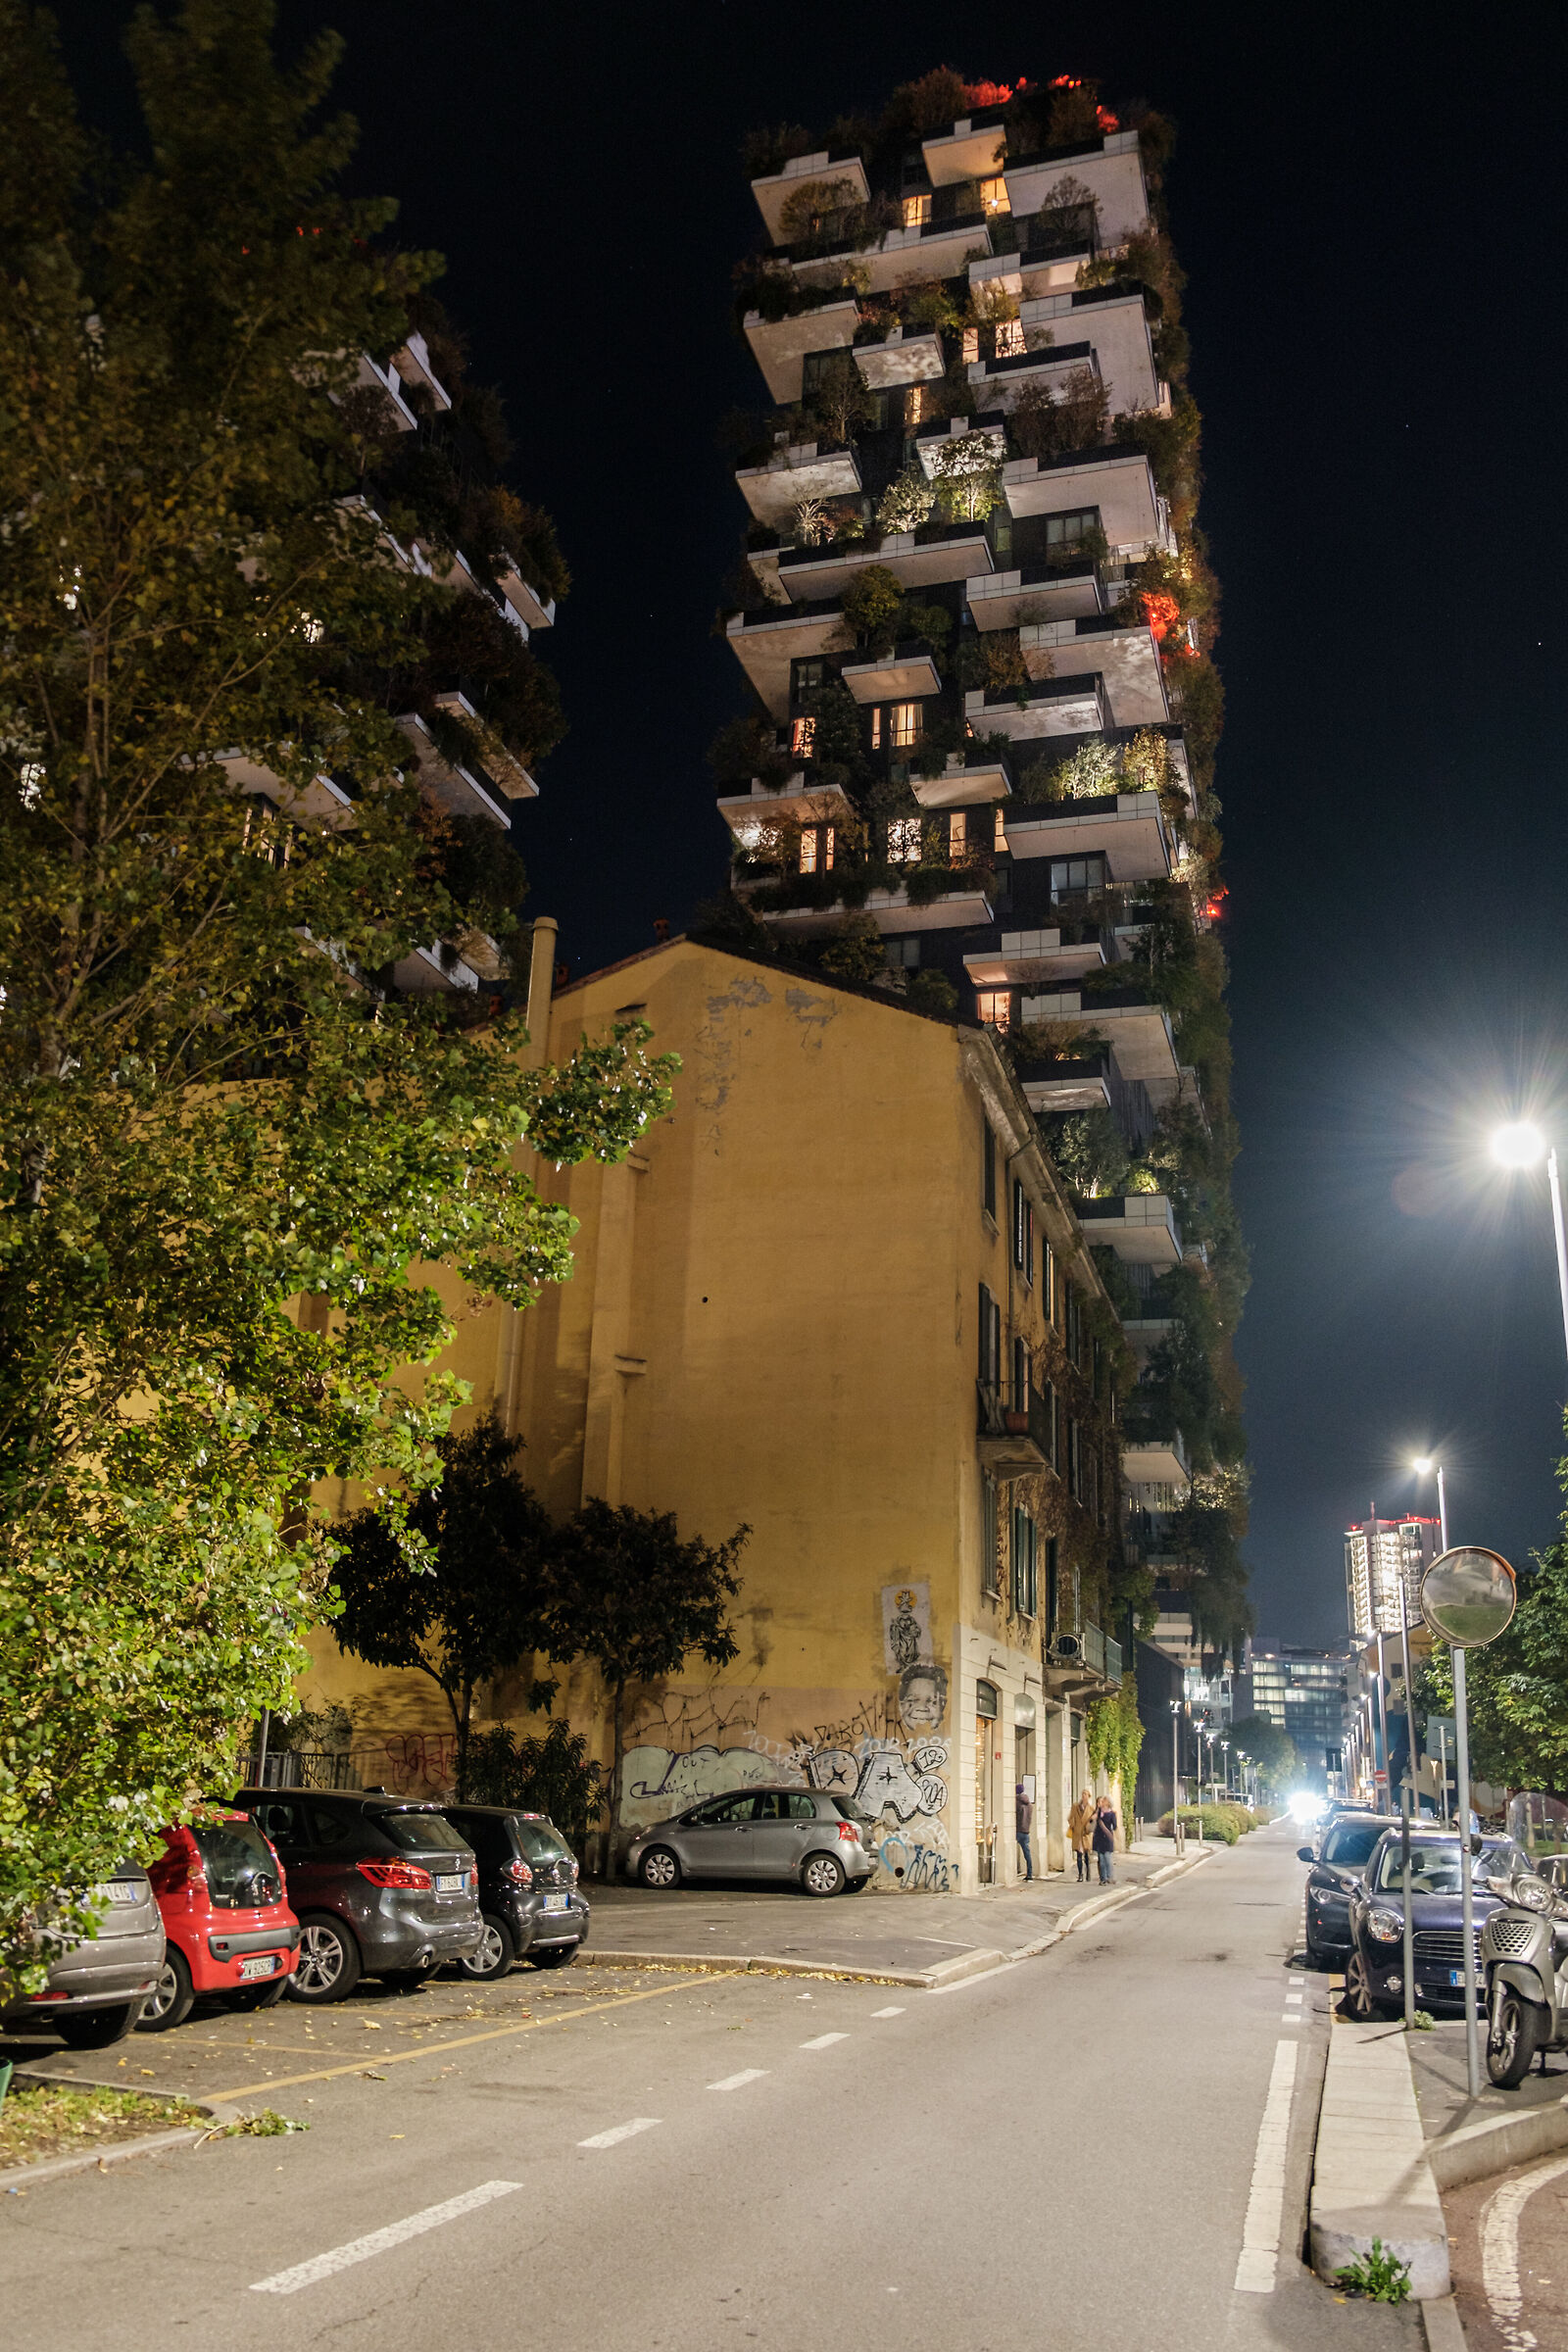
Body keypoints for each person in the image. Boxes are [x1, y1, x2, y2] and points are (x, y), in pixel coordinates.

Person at [1069, 1789, 1096, 1882]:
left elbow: (1093, 1821)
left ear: (1089, 1796)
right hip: (1077, 1833)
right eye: (1082, 1794)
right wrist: (1072, 1825)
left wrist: (1089, 1827)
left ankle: (1088, 1873)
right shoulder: (1075, 1806)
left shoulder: (1091, 1809)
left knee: (1087, 1855)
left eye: (1085, 1794)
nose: (1083, 1796)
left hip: (1086, 1834)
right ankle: (1080, 1874)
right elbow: (1070, 1817)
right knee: (1079, 1855)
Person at [1093, 1794, 1118, 1884]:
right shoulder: (1099, 1811)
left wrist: (1110, 1827)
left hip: (1107, 1839)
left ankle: (1109, 1876)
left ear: (1108, 1802)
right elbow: (1092, 1818)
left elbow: (1115, 1826)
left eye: (1104, 1800)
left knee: (1107, 1858)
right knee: (1101, 1860)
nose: (1103, 1802)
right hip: (1099, 1838)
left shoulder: (1112, 1814)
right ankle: (1103, 1879)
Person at [1015, 1783, 1034, 1883]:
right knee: (1027, 1854)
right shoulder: (1029, 1804)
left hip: (1018, 1830)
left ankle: (1013, 1872)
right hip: (1026, 1831)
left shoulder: (1016, 1802)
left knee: (1014, 1851)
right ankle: (1029, 1874)